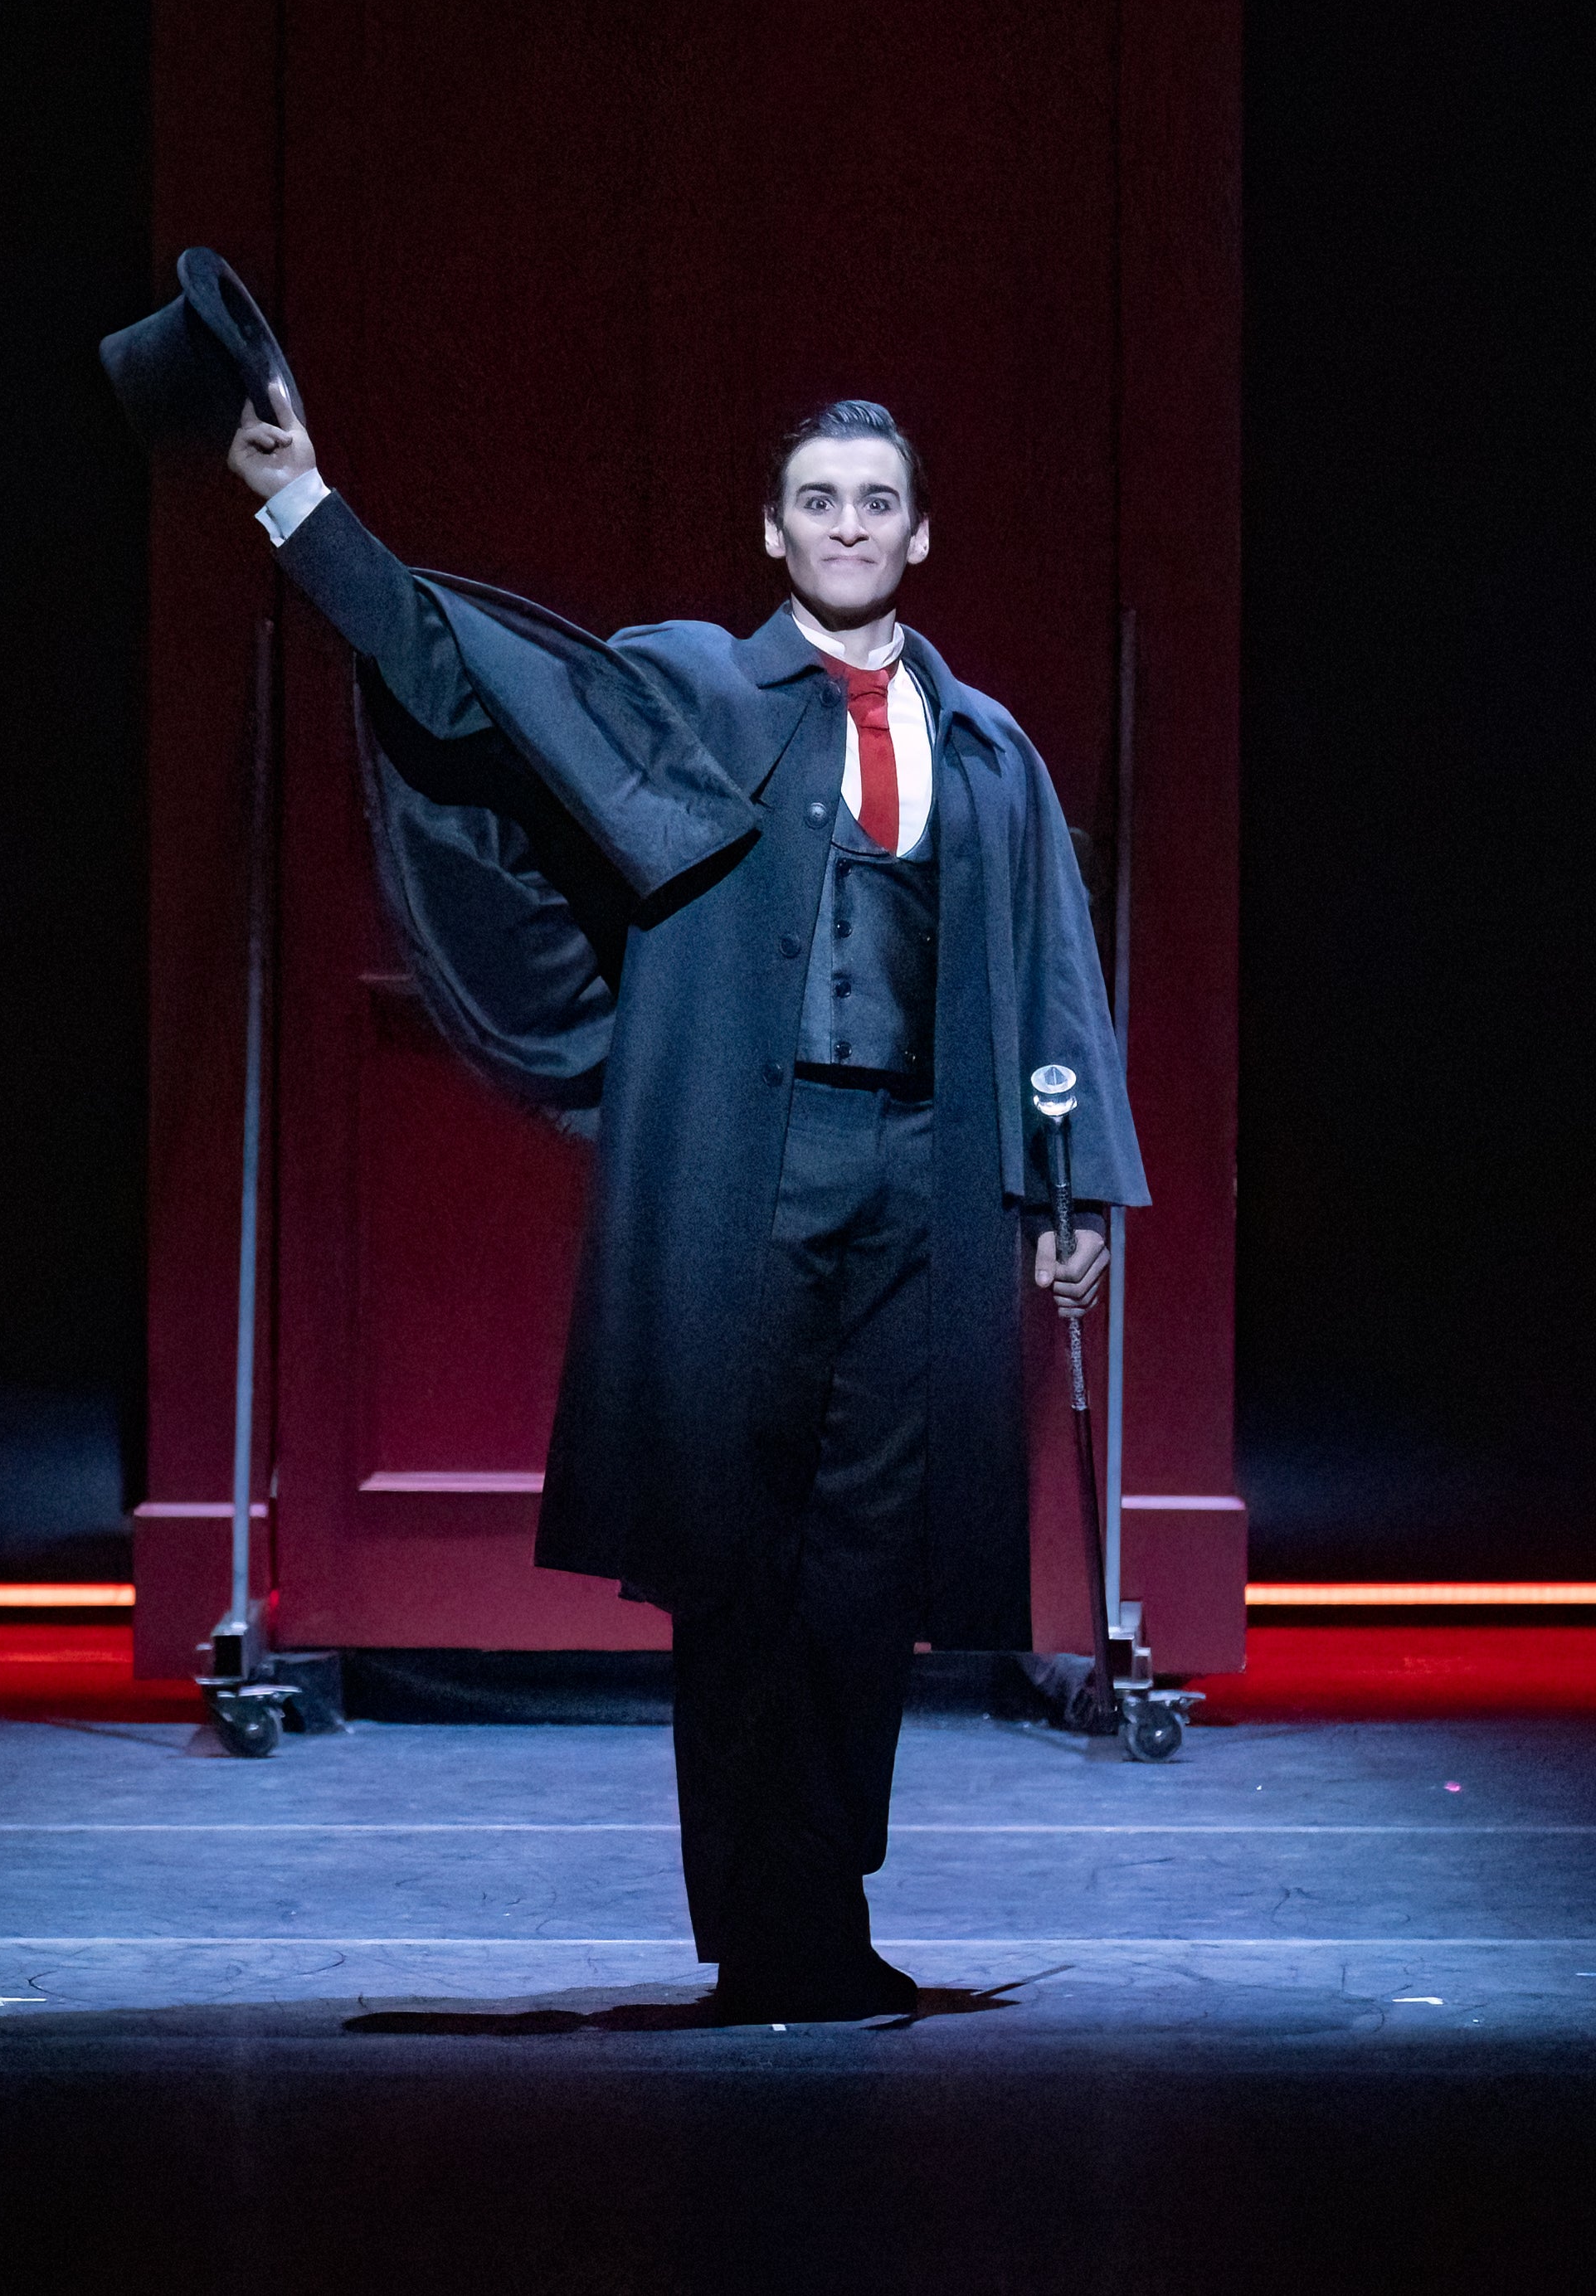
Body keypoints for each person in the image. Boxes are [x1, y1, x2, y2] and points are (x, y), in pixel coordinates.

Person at [226, 383, 1144, 2022]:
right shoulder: (692, 692)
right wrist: (308, 512)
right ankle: (763, 1928)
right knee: (740, 1555)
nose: (847, 526)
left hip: (922, 1182)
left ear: (917, 533)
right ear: (772, 531)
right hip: (749, 1175)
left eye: (875, 501)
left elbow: (1049, 977)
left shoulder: (980, 742)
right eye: (817, 500)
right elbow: (465, 677)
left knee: (873, 1562)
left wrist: (1068, 1182)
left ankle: (822, 1905)